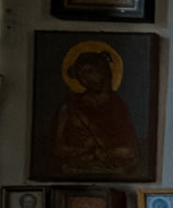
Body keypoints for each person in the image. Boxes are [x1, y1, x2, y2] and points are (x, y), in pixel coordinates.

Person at [52, 47, 139, 177]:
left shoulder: (118, 107)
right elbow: (58, 147)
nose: (85, 78)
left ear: (103, 71)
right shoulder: (70, 107)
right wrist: (82, 151)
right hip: (77, 167)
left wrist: (103, 152)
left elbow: (130, 151)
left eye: (90, 71)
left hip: (110, 167)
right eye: (80, 74)